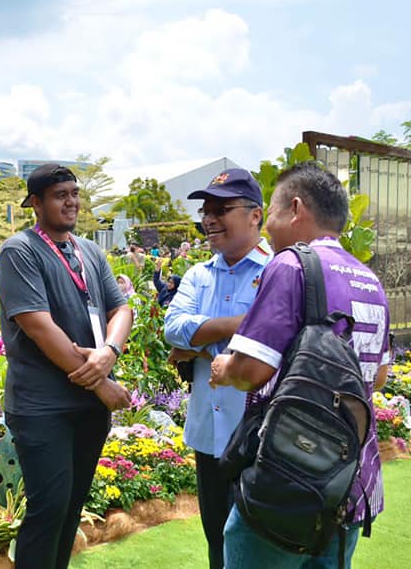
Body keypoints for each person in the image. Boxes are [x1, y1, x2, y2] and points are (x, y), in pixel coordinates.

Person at [209, 162, 391, 568]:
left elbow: (251, 371)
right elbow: (377, 376)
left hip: (289, 482)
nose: (267, 228)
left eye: (271, 213)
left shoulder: (292, 264)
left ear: (295, 209)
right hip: (350, 483)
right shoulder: (370, 279)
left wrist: (224, 368)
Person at [0, 163, 133, 569]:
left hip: (88, 408)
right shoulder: (20, 250)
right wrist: (101, 384)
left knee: (71, 508)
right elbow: (39, 326)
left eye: (74, 193)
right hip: (43, 406)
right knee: (49, 509)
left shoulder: (89, 251)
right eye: (60, 195)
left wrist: (109, 352)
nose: (71, 201)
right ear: (35, 203)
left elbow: (121, 309)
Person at [163, 168, 272, 569]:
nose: (209, 219)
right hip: (208, 434)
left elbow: (278, 341)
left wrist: (198, 345)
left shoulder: (277, 272)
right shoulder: (199, 274)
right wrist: (243, 324)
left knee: (258, 542)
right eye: (205, 211)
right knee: (216, 537)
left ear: (255, 215)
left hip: (260, 435)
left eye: (221, 210)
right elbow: (173, 328)